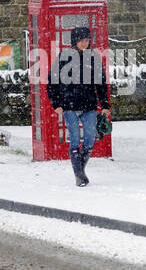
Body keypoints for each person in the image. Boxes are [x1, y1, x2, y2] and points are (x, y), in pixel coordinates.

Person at [47, 26, 111, 186]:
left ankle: (80, 171)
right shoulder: (64, 57)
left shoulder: (93, 57)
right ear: (75, 41)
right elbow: (51, 82)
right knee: (75, 138)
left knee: (90, 139)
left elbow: (101, 83)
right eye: (82, 40)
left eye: (87, 40)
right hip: (69, 105)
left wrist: (104, 104)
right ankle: (79, 176)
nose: (85, 43)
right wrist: (56, 103)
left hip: (89, 104)